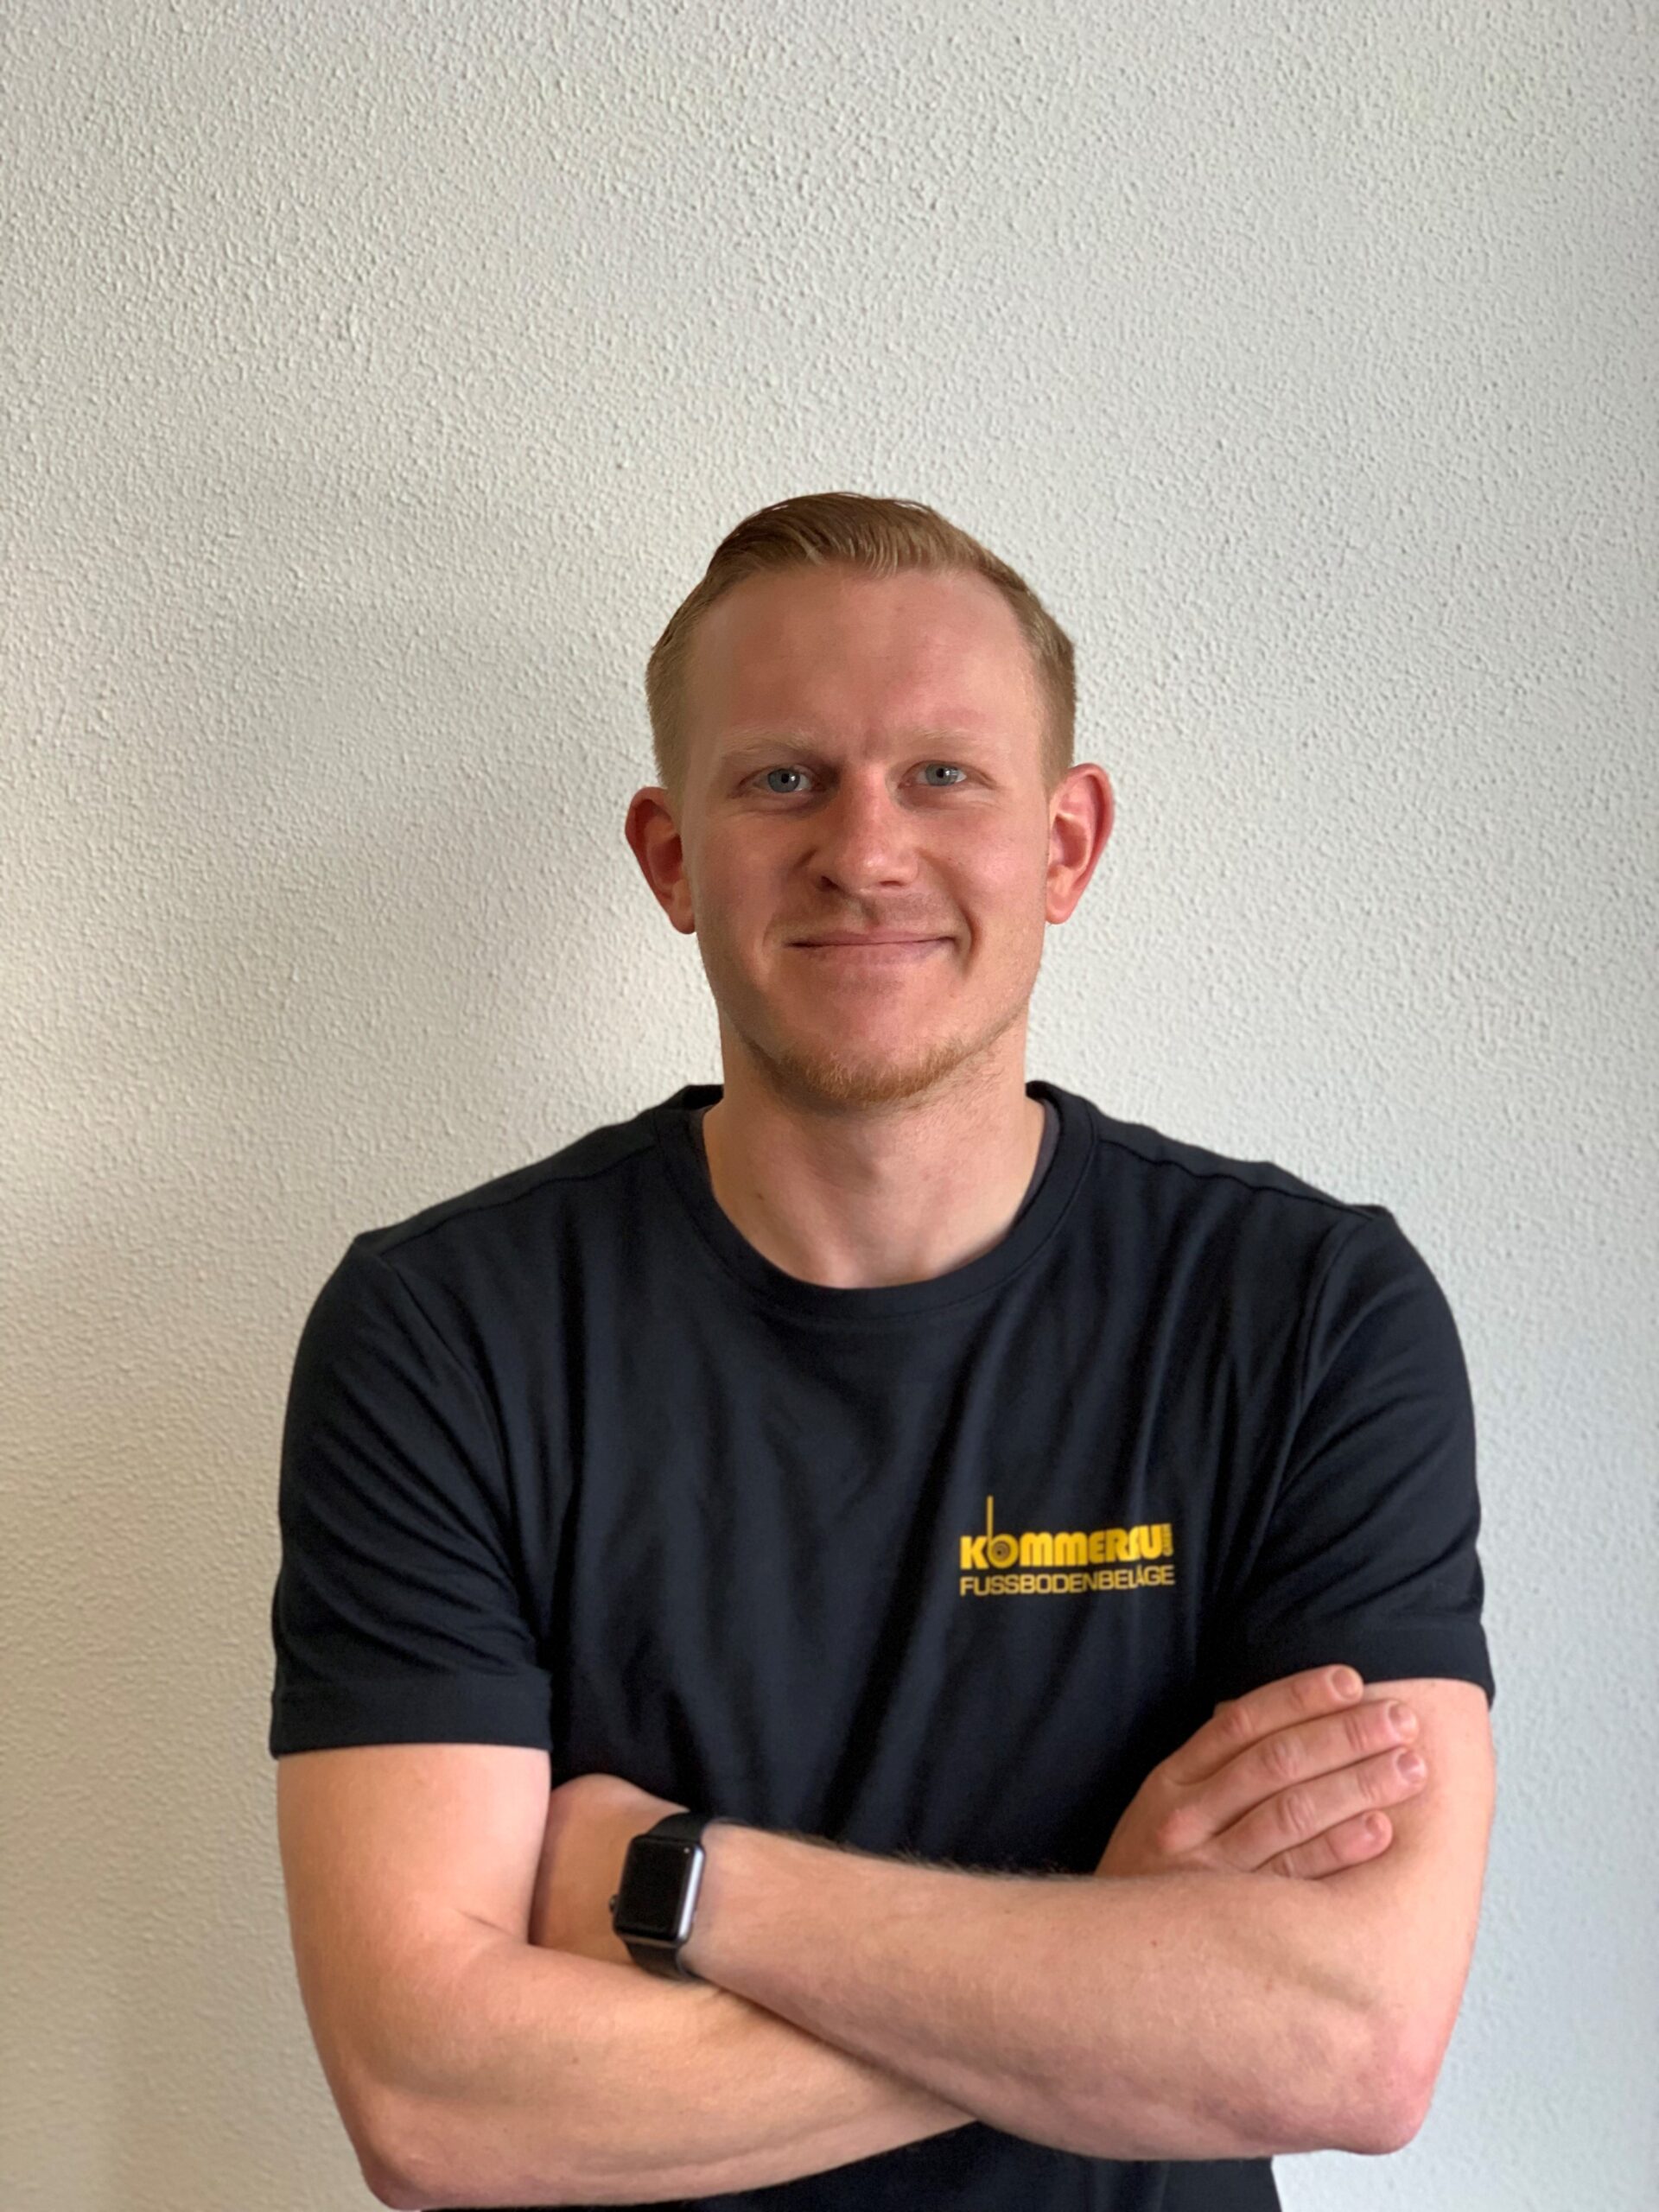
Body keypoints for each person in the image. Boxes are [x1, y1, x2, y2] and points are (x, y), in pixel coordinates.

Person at [269, 492, 1497, 2212]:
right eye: (784, 778)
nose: (864, 850)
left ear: (1065, 844)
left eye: (943, 775)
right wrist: (1123, 1961)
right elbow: (432, 2104)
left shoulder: (1308, 1313)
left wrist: (688, 1886)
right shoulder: (443, 1333)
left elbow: (1350, 2047)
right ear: (670, 854)